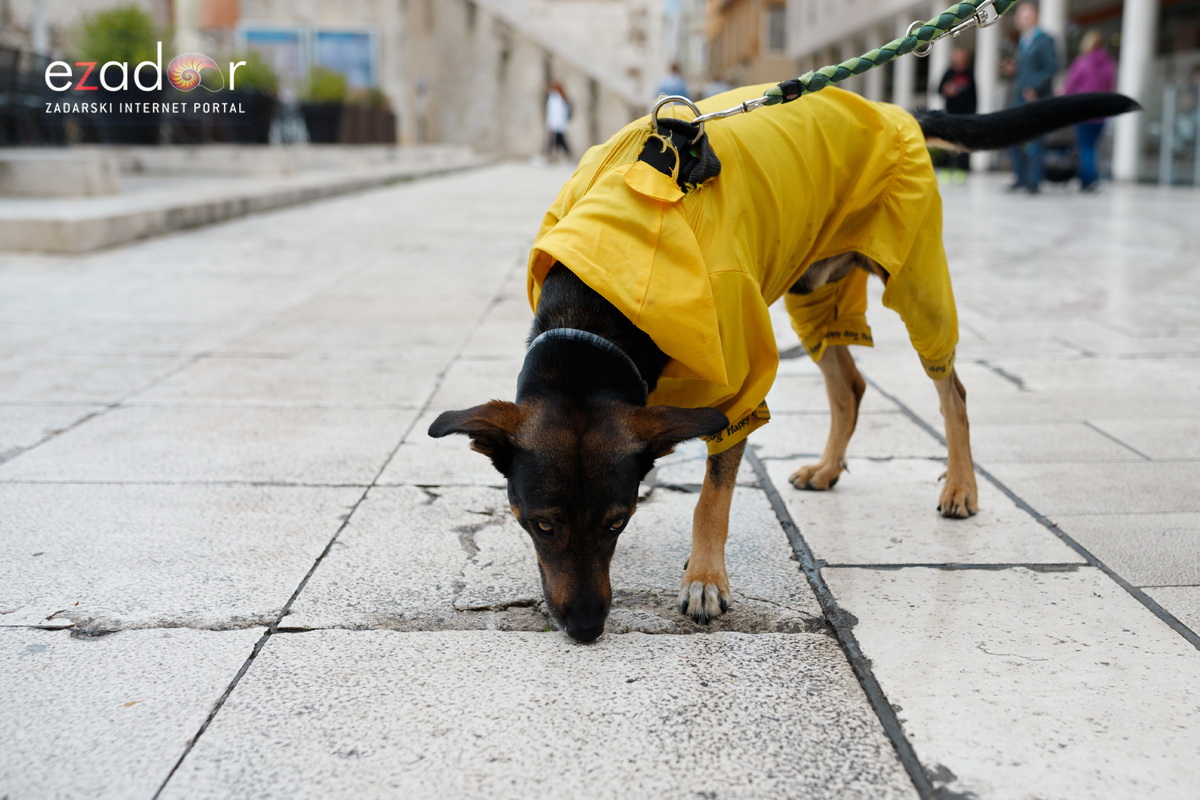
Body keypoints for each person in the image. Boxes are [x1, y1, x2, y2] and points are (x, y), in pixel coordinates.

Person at [1002, 2, 1058, 193]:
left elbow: (1051, 67)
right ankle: (1021, 178)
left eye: (1026, 15)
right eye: (1019, 16)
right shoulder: (1022, 42)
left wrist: (1034, 87)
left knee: (1035, 140)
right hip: (1019, 97)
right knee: (1013, 137)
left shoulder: (1044, 40)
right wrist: (1014, 69)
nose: (1021, 19)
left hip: (1036, 98)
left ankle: (1034, 181)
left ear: (1035, 17)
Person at [1062, 29, 1117, 191]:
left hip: (1084, 110)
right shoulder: (1110, 64)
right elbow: (1110, 87)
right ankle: (1087, 178)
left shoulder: (1082, 62)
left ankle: (1089, 179)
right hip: (1101, 112)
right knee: (1092, 147)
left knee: (1085, 147)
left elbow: (1070, 85)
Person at [937, 47, 978, 180]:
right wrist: (947, 90)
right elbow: (938, 89)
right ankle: (946, 168)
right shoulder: (948, 73)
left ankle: (963, 169)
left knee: (964, 143)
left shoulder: (969, 73)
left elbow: (974, 95)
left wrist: (973, 115)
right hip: (950, 114)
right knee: (948, 142)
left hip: (966, 115)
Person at [545, 81, 571, 163]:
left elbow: (554, 112)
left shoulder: (555, 98)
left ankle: (550, 156)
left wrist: (551, 123)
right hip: (559, 124)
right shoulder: (561, 98)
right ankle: (558, 156)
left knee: (554, 141)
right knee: (559, 141)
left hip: (556, 124)